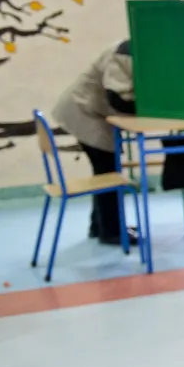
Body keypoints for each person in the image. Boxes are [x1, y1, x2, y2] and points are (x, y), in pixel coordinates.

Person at [52, 39, 137, 245]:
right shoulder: (123, 54)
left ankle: (99, 226)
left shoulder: (130, 50)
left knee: (104, 171)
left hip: (88, 111)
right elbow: (117, 98)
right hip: (85, 113)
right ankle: (112, 231)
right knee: (108, 172)